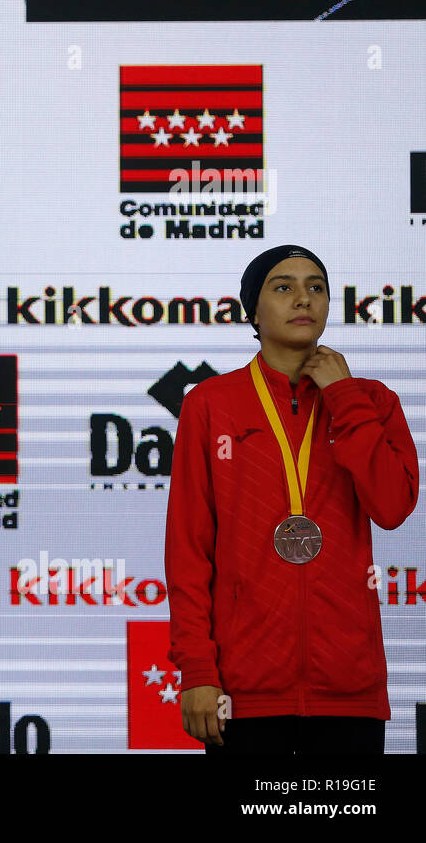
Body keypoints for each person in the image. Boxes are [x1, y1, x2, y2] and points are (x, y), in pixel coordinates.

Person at [166, 244, 419, 754]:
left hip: (350, 688)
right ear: (252, 311)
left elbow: (393, 507)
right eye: (283, 287)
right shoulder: (210, 403)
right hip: (242, 690)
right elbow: (189, 550)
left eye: (316, 287)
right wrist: (197, 670)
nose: (303, 298)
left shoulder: (373, 401)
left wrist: (343, 397)